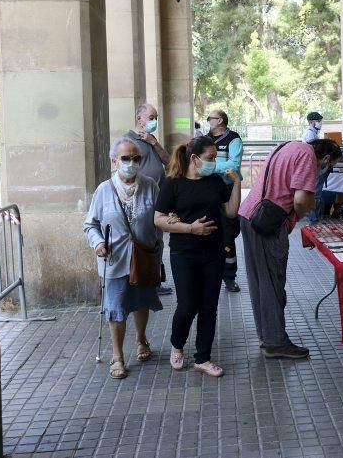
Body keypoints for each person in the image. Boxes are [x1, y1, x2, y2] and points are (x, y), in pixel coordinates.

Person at [238, 138, 342, 359]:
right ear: (325, 158)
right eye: (329, 165)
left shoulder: (288, 146)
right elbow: (301, 200)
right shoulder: (307, 156)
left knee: (259, 281)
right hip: (267, 222)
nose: (326, 168)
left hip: (249, 214)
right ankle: (275, 342)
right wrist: (302, 214)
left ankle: (267, 335)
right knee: (272, 283)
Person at [153, 136, 242, 377]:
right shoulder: (173, 184)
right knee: (187, 305)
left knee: (209, 307)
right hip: (184, 253)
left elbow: (231, 212)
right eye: (210, 158)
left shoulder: (214, 181)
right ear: (194, 158)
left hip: (213, 252)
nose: (215, 162)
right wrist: (191, 228)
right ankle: (177, 344)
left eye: (215, 157)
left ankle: (203, 358)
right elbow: (159, 219)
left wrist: (236, 184)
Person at [83, 137, 163, 379]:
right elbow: (90, 225)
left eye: (136, 158)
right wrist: (98, 243)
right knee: (115, 307)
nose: (131, 163)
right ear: (114, 160)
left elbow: (160, 219)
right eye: (125, 158)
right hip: (115, 260)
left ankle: (141, 340)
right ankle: (117, 356)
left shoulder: (150, 186)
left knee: (141, 301)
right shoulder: (103, 190)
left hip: (145, 257)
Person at [126, 103, 173, 295]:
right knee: (143, 239)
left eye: (156, 118)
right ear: (139, 119)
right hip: (140, 199)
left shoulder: (151, 139)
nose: (154, 121)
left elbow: (168, 161)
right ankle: (140, 280)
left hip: (157, 198)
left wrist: (154, 142)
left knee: (157, 239)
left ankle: (155, 280)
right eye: (151, 117)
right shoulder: (129, 140)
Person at [205, 110, 244, 293]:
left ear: (219, 120)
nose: (208, 121)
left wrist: (209, 166)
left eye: (210, 118)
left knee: (228, 233)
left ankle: (229, 276)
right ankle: (210, 273)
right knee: (209, 230)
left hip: (228, 191)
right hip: (208, 191)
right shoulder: (204, 139)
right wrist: (218, 168)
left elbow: (233, 166)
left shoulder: (234, 139)